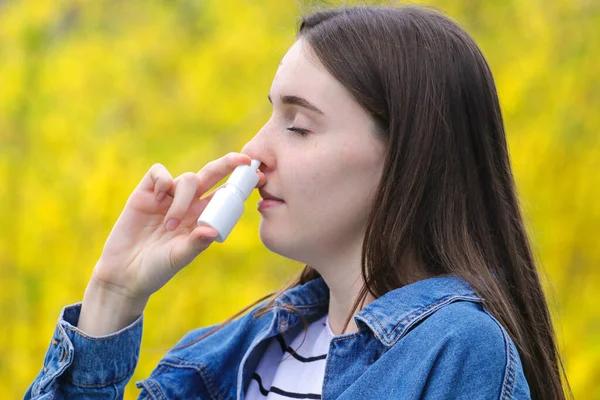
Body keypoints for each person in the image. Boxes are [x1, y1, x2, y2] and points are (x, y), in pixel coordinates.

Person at [25, 4, 571, 400]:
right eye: (269, 117)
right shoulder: (225, 358)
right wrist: (112, 297)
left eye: (298, 126)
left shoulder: (455, 352)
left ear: (409, 154)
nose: (254, 152)